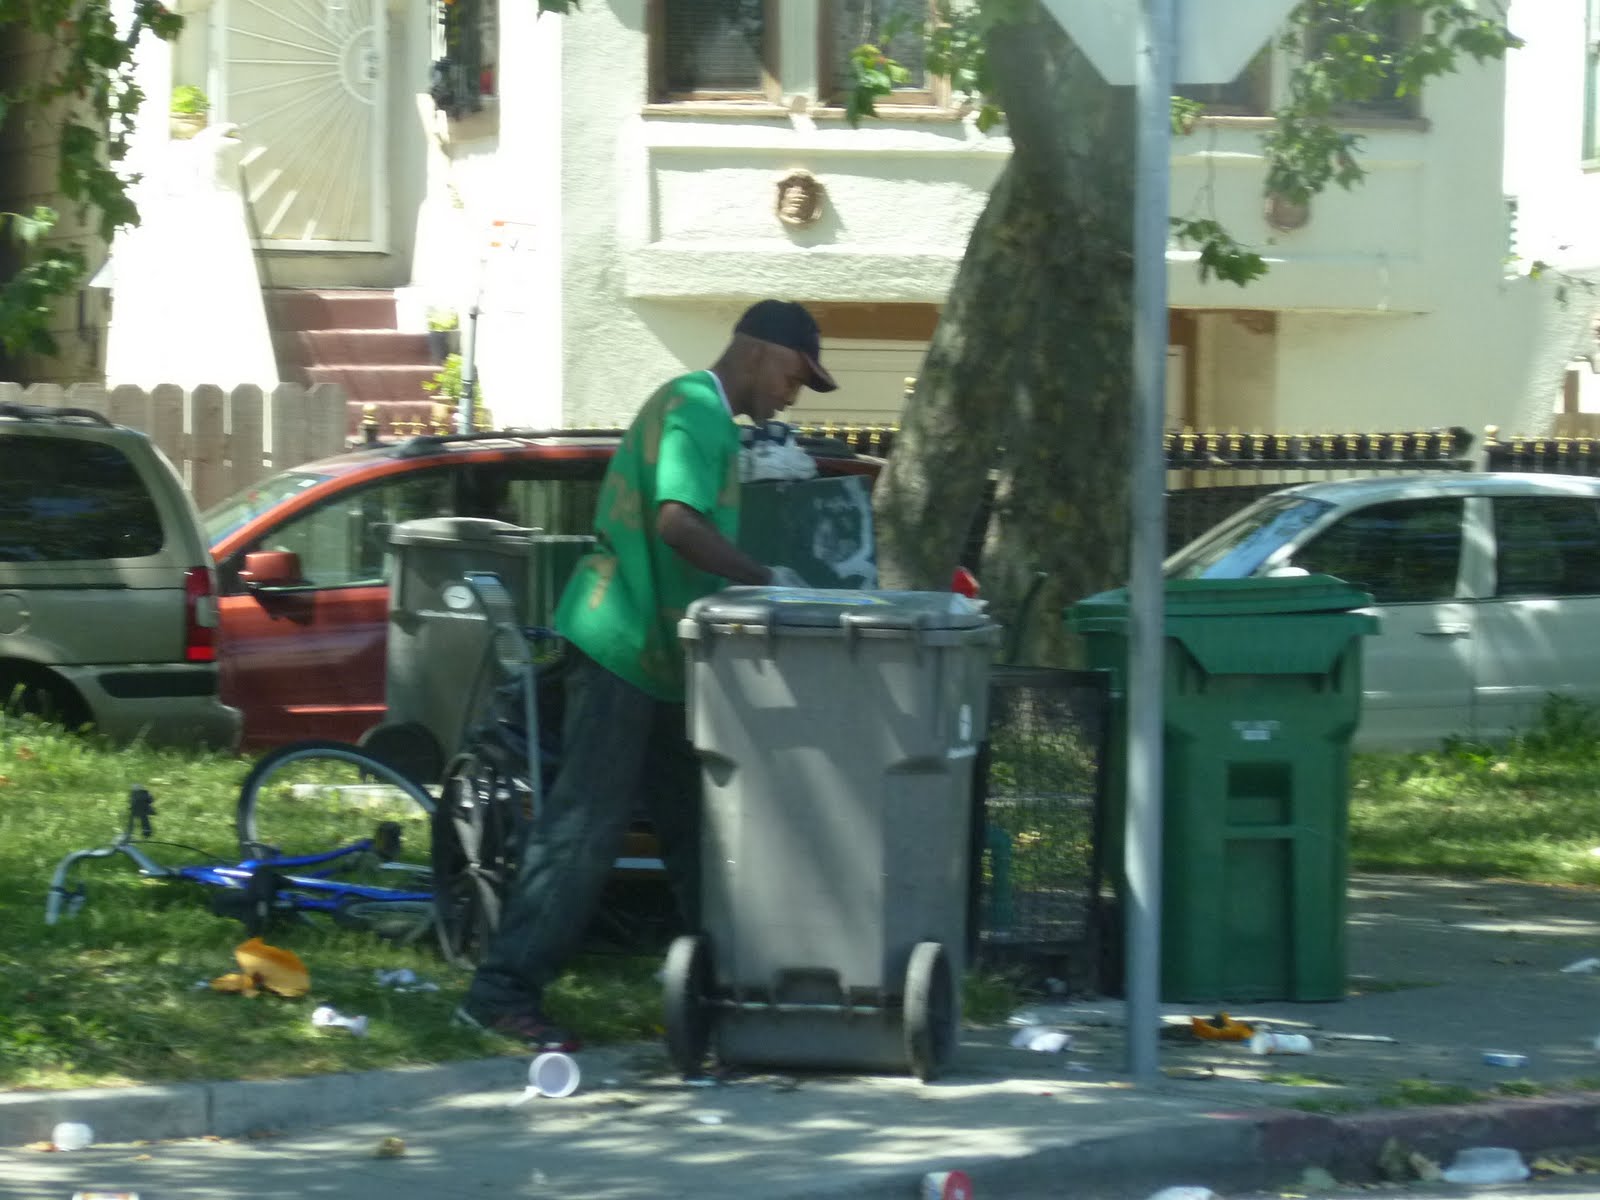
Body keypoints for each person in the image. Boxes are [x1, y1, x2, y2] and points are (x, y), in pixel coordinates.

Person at [453, 299, 837, 1049]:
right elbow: (676, 521)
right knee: (584, 829)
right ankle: (499, 993)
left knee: (698, 830)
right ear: (760, 352)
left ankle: (729, 991)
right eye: (796, 375)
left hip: (655, 657)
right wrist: (765, 582)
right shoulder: (698, 408)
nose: (794, 394)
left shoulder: (703, 414)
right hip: (623, 644)